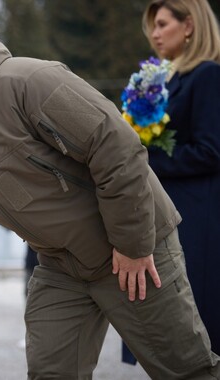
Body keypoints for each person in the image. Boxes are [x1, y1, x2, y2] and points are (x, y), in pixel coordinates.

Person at [0, 33, 220, 379]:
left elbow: (116, 148)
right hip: (62, 268)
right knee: (51, 373)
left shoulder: (28, 83)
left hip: (133, 250)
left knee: (186, 371)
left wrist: (132, 244)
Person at [144, 0, 220, 352]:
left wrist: (144, 160)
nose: (154, 34)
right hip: (170, 210)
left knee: (196, 328)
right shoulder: (162, 77)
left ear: (188, 25)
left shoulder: (207, 74)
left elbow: (211, 151)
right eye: (153, 26)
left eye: (162, 24)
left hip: (197, 216)